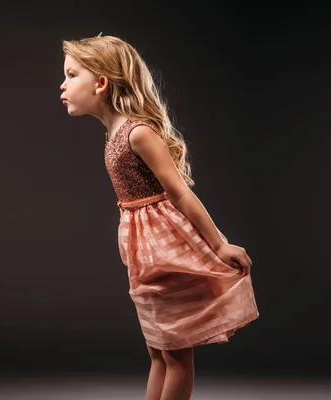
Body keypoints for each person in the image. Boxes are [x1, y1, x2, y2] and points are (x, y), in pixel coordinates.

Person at [59, 34, 259, 400]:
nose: (63, 85)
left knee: (176, 351)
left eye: (72, 75)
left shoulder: (138, 133)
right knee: (158, 349)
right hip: (142, 252)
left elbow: (180, 192)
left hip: (164, 248)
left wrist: (220, 244)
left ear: (101, 83)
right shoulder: (113, 133)